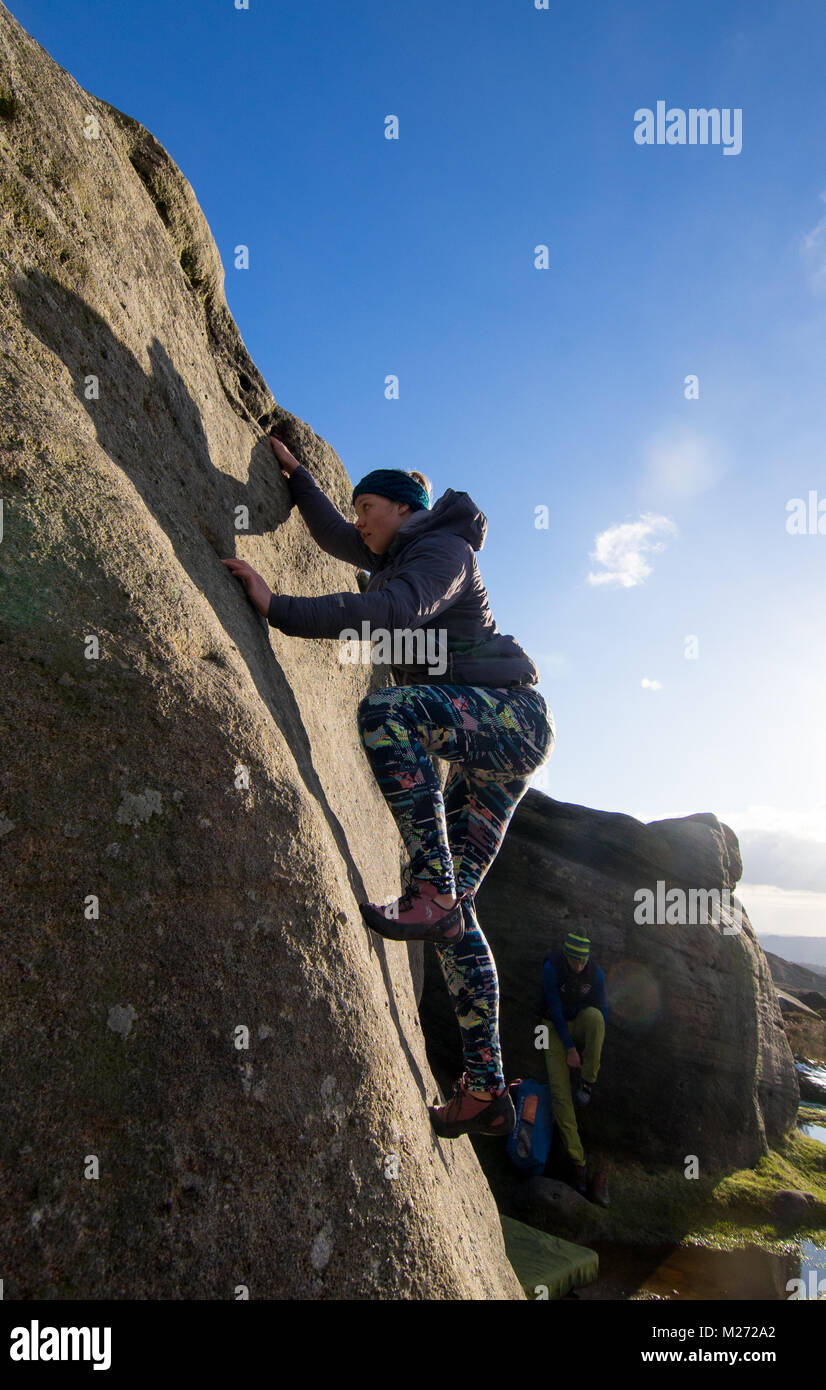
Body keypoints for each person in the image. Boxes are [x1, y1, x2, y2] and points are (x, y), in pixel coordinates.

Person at [223, 432, 555, 1139]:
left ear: (406, 510)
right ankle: (485, 1087)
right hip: (490, 749)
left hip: (511, 720)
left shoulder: (443, 554)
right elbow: (340, 537)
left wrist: (277, 607)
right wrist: (301, 480)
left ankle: (428, 890)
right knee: (459, 920)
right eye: (357, 507)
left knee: (386, 714)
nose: (360, 519)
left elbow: (392, 612)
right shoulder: (404, 547)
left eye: (369, 506)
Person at [537, 932, 609, 1203]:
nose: (578, 967)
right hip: (551, 1029)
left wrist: (586, 1051)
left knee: (596, 1019)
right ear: (566, 956)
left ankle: (587, 1082)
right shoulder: (552, 968)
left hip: (579, 1021)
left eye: (582, 961)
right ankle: (578, 1163)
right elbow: (554, 1009)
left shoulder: (595, 974)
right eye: (574, 961)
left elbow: (602, 1009)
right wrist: (569, 1048)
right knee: (559, 1094)